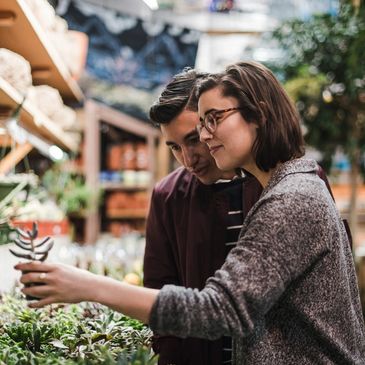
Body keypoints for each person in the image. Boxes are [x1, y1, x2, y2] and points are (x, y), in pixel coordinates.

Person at [15, 61, 365, 364]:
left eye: (209, 124)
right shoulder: (175, 195)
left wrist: (88, 285)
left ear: (258, 115)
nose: (198, 147)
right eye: (177, 145)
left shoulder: (290, 197)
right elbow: (167, 293)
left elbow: (220, 309)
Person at [145, 68, 262, 365]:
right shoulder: (168, 197)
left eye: (193, 139)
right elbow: (159, 293)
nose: (187, 159)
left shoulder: (284, 186)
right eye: (174, 147)